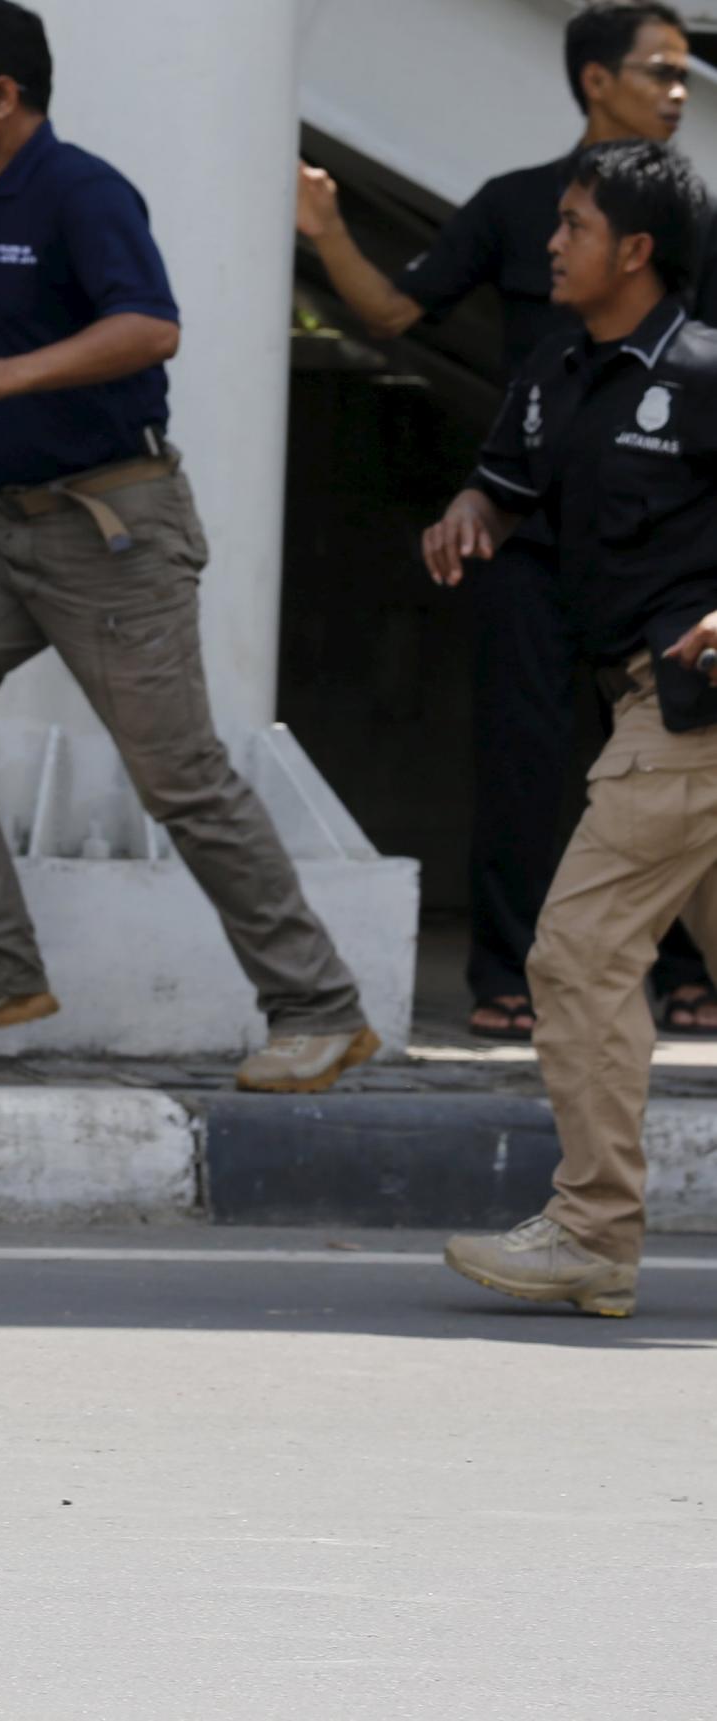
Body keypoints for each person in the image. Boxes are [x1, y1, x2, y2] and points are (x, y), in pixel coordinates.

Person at [0, 0, 377, 1095]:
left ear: (4, 97)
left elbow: (149, 327)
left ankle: (319, 1008)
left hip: (112, 528)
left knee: (180, 778)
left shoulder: (83, 191)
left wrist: (2, 382)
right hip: (2, 528)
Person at [296, 1, 717, 1043]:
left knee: (668, 756)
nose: (676, 90)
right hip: (536, 528)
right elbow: (395, 315)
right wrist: (327, 234)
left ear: (641, 253)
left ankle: (674, 969)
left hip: (664, 548)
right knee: (528, 759)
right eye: (659, 71)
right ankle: (512, 968)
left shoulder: (694, 260)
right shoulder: (520, 215)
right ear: (593, 81)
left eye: (682, 74)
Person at [428, 141, 717, 1318]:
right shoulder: (556, 369)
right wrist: (470, 504)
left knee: (576, 950)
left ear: (635, 251)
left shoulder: (701, 372)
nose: (552, 241)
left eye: (575, 224)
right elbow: (511, 478)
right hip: (635, 700)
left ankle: (594, 1231)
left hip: (687, 706)